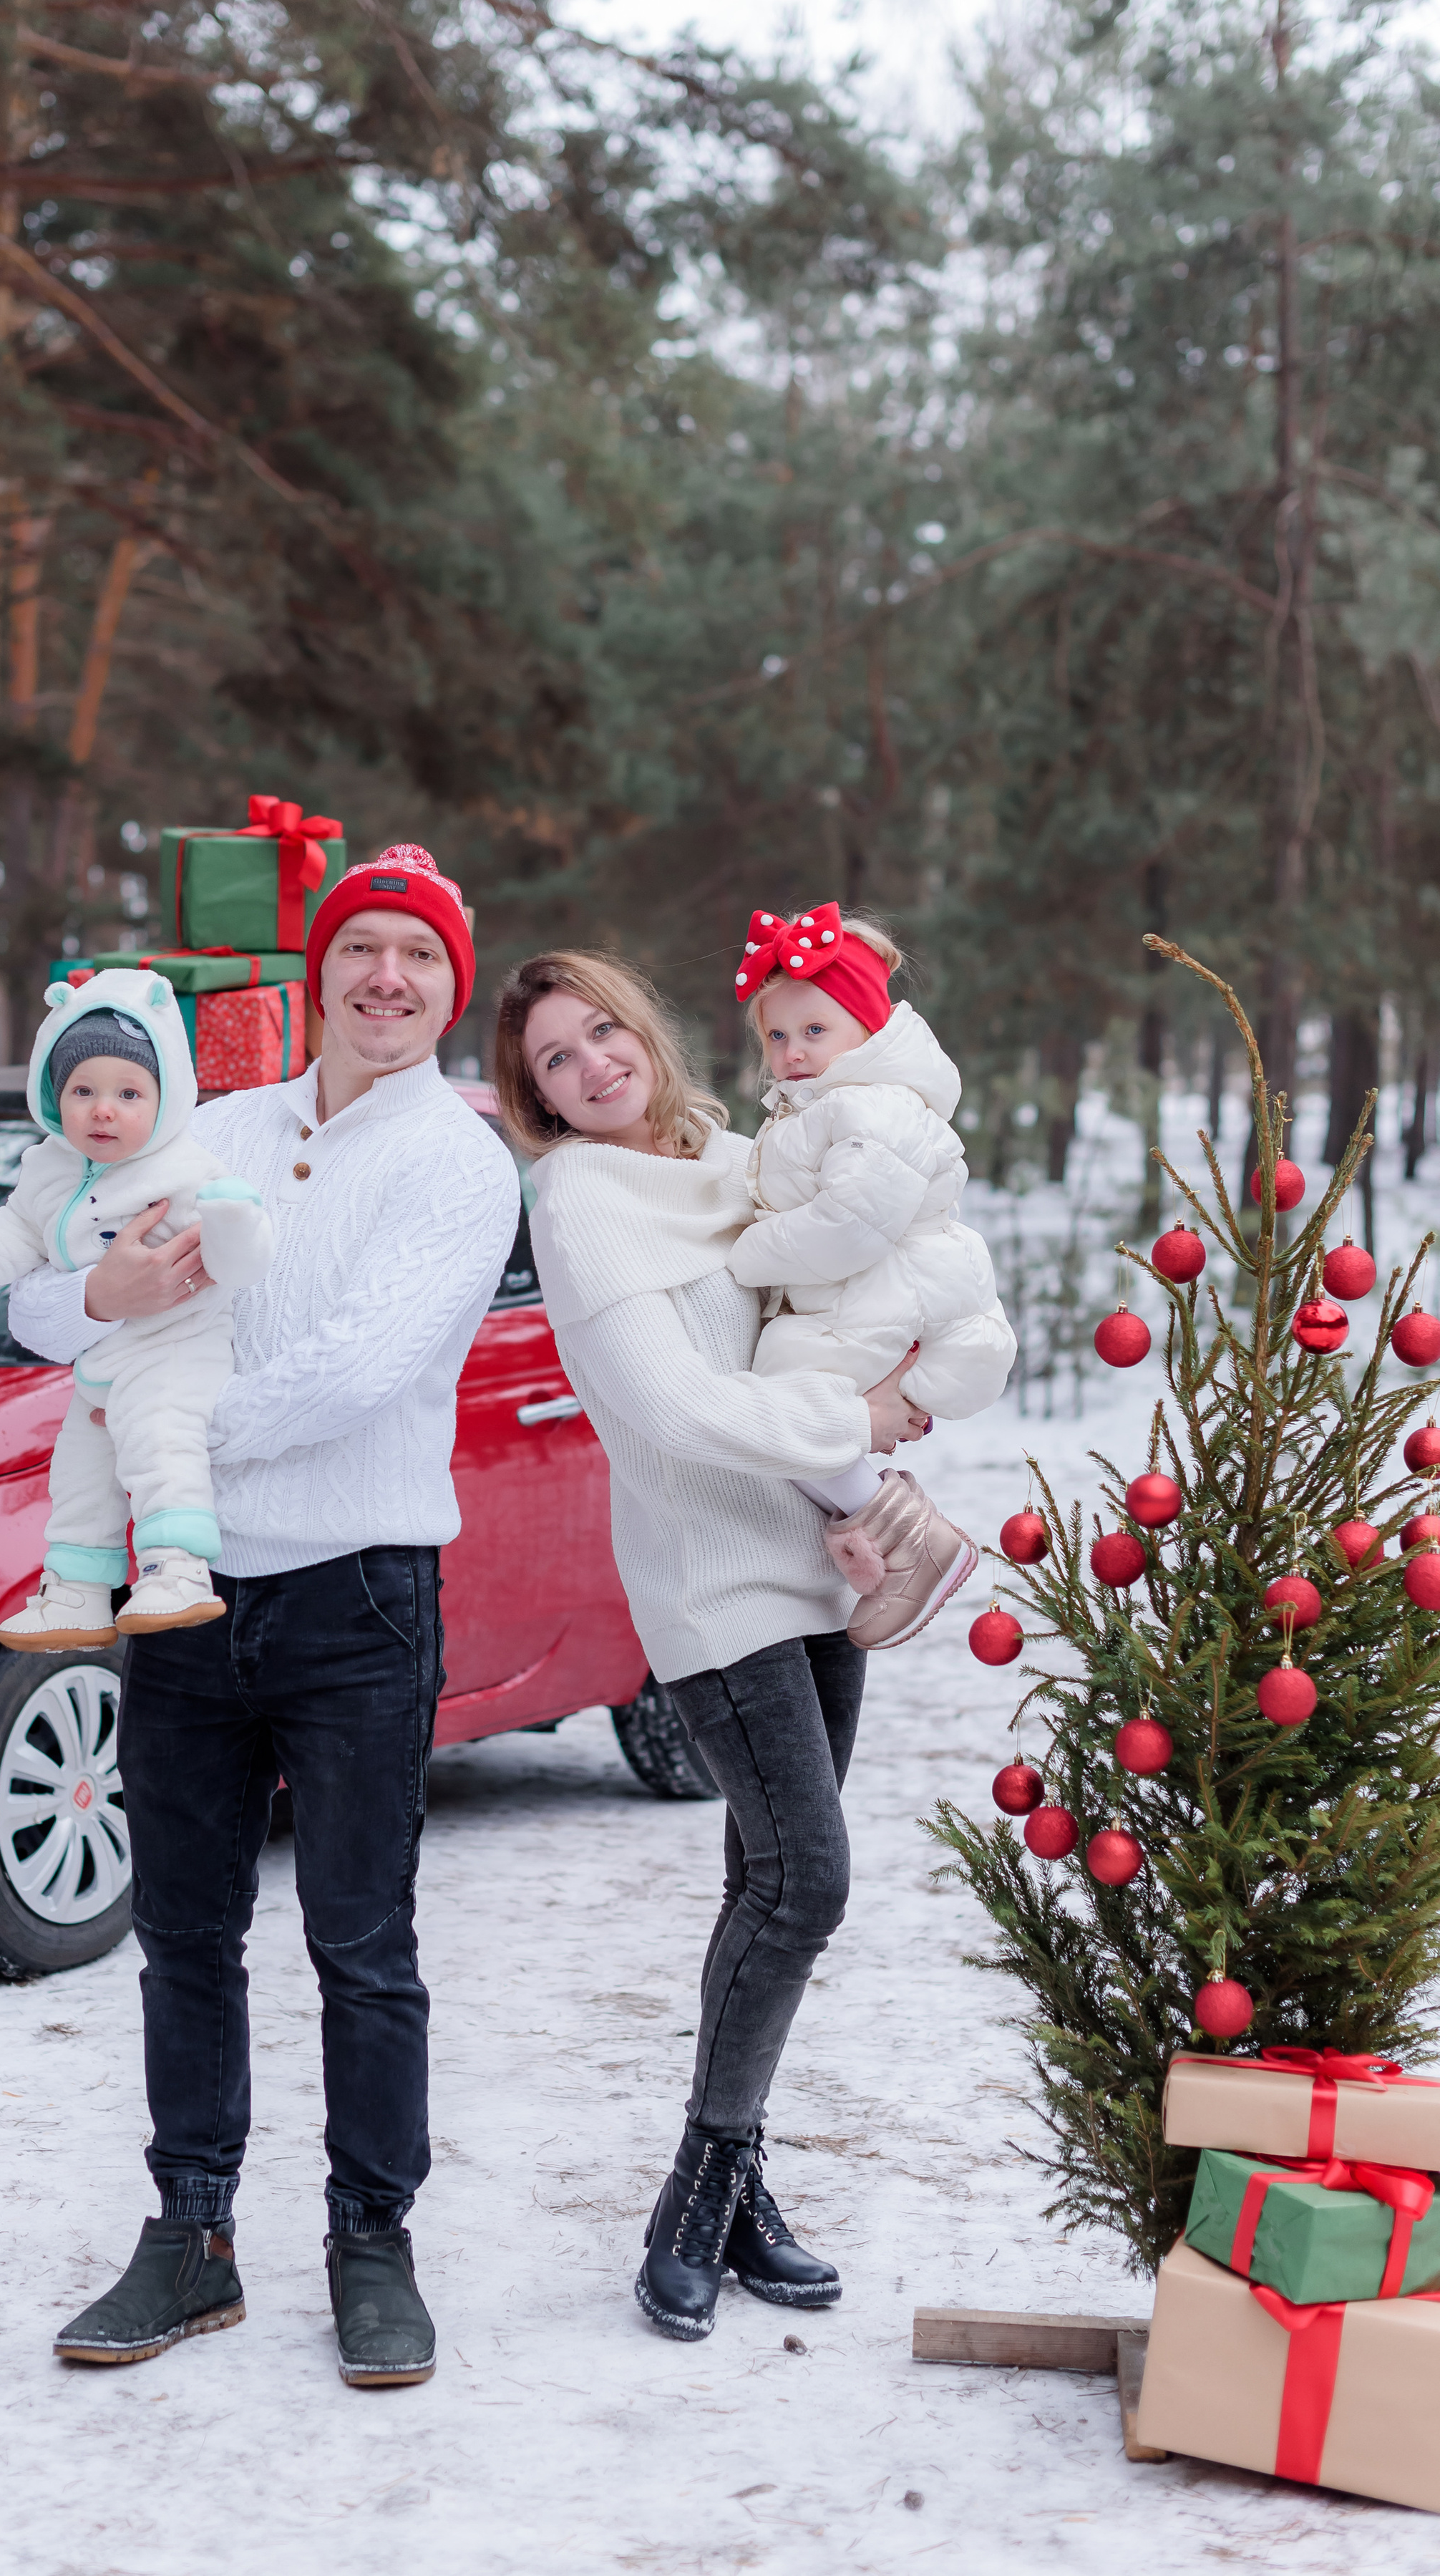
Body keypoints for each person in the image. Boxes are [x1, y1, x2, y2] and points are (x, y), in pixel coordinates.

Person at [7, 850, 519, 2388]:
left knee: (361, 1939)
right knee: (182, 1931)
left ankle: (372, 2241)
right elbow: (35, 1298)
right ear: (318, 970)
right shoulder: (214, 1126)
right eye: (359, 947)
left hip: (357, 1591)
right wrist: (106, 1307)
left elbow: (363, 1369)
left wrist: (159, 1432)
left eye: (415, 955)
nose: (385, 977)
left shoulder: (459, 1159)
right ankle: (192, 2234)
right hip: (187, 1594)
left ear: (449, 986)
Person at [492, 948, 928, 2343]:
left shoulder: (747, 1164)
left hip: (821, 1563)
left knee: (762, 1879)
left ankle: (734, 2195)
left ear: (644, 1027)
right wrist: (852, 1428)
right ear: (537, 1097)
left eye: (600, 1031)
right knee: (807, 1882)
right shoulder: (577, 1199)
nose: (590, 1064)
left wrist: (854, 1489)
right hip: (710, 1584)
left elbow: (820, 1331)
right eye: (555, 1059)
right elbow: (673, 1406)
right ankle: (698, 2185)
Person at [0, 967, 275, 1642]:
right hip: (100, 1364)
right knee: (80, 1474)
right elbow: (20, 1230)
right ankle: (77, 1593)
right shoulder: (48, 1168)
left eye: (128, 1093)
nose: (102, 1110)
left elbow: (241, 1266)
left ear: (166, 1096)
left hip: (175, 1351)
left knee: (159, 1446)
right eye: (82, 1091)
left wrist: (235, 1221)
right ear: (54, 1097)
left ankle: (178, 1570)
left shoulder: (185, 1172)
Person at [729, 904, 1016, 1648]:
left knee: (779, 1408)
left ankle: (915, 1545)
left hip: (894, 1299)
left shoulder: (875, 1107)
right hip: (864, 1299)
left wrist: (746, 1255)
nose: (793, 1051)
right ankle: (873, 1534)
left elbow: (848, 1228)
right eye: (777, 1036)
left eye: (815, 1030)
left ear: (867, 1027)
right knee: (782, 1415)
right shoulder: (824, 1106)